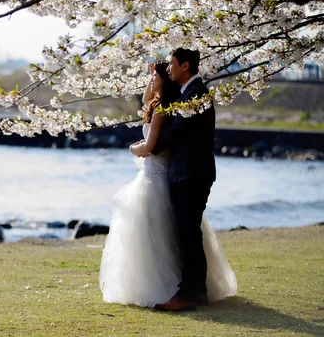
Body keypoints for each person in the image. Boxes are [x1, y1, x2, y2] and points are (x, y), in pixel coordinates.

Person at [99, 59, 236, 309]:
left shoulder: (181, 102)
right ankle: (195, 290)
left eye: (161, 74)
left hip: (173, 175)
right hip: (173, 174)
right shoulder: (166, 102)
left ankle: (186, 292)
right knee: (181, 235)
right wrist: (153, 77)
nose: (152, 81)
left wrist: (134, 148)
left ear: (184, 66)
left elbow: (154, 144)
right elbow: (146, 101)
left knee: (179, 236)